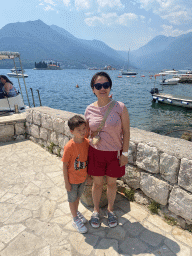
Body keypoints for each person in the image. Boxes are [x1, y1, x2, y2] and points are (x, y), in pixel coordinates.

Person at [85, 72, 130, 228]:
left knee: (111, 183)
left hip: (114, 153)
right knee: (97, 184)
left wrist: (125, 153)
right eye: (98, 86)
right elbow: (86, 134)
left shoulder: (120, 107)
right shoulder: (89, 109)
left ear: (110, 87)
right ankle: (96, 211)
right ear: (93, 89)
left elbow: (126, 132)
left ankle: (110, 210)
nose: (102, 88)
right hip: (95, 152)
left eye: (105, 85)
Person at [61, 115, 89, 234]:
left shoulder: (87, 142)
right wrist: (66, 182)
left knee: (77, 197)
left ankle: (76, 212)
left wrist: (88, 176)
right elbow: (64, 165)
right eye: (79, 130)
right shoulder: (69, 147)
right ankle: (75, 219)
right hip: (72, 179)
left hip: (82, 178)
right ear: (72, 131)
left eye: (84, 128)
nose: (83, 131)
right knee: (72, 199)